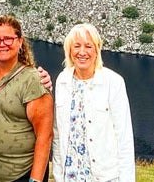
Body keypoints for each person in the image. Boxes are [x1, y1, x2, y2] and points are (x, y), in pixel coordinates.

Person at [0, 16, 53, 182]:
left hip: (18, 175)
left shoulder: (32, 80)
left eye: (8, 39)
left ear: (20, 42)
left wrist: (35, 180)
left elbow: (44, 137)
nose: (2, 44)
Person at [52, 24, 135, 182]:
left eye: (88, 46)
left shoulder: (114, 82)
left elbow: (124, 138)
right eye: (76, 46)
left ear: (97, 50)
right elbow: (58, 133)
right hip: (69, 175)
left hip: (104, 176)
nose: (82, 52)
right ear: (69, 50)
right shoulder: (62, 80)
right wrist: (57, 173)